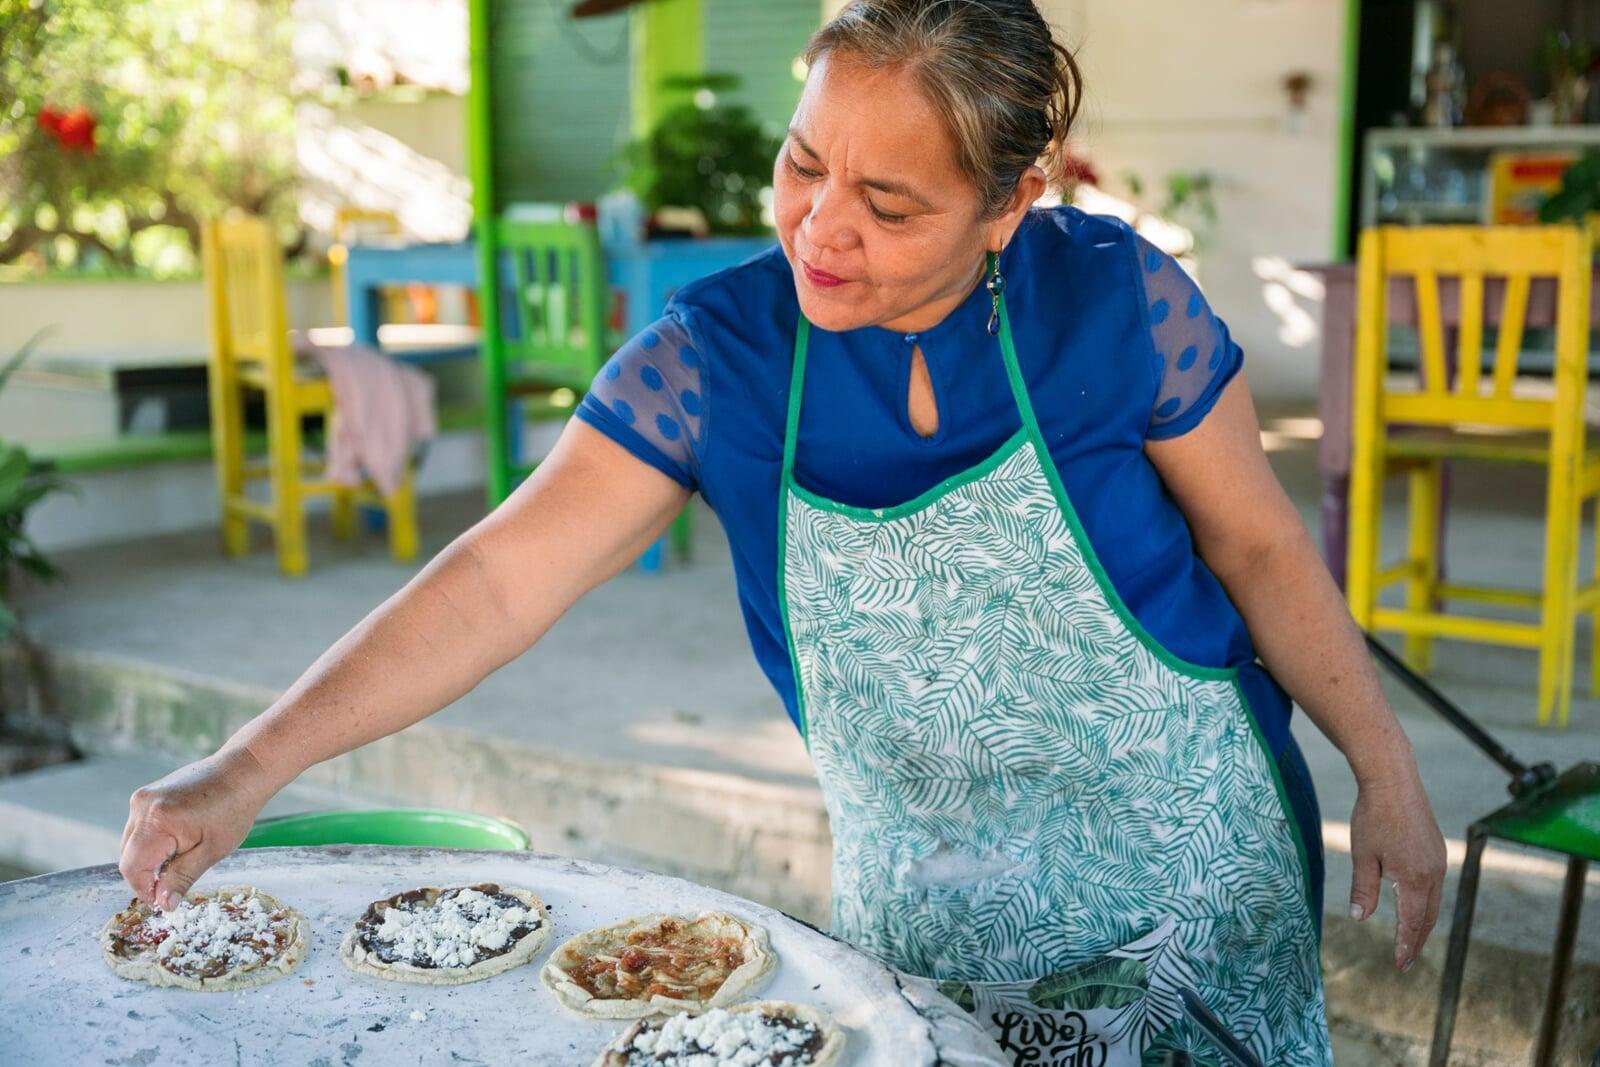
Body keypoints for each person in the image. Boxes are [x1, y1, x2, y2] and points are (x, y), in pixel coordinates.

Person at [120, 1, 1446, 1061]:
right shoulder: (718, 359)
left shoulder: (1117, 300)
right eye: (805, 164)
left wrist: (1382, 763)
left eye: (892, 205)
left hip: (1193, 882)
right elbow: (497, 581)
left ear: (1008, 205)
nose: (822, 227)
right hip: (928, 910)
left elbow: (1259, 548)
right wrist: (246, 767)